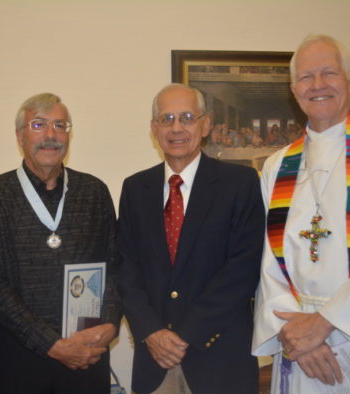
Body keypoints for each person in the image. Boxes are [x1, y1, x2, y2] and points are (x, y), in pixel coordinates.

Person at [252, 34, 350, 393]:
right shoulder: (277, 166)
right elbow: (268, 264)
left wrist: (327, 323)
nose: (318, 85)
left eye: (330, 73)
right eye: (306, 77)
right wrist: (292, 333)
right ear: (294, 90)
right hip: (298, 349)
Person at [118, 83, 265, 394]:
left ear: (206, 124)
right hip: (154, 361)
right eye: (166, 119)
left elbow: (244, 268)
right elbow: (126, 268)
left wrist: (186, 335)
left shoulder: (240, 184)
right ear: (153, 129)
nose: (176, 128)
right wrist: (151, 332)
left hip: (221, 358)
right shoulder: (134, 189)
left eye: (186, 117)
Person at [0, 93, 121, 393]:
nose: (51, 135)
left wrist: (110, 323)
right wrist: (52, 345)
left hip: (87, 356)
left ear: (69, 134)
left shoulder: (94, 192)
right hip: (19, 360)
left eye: (60, 125)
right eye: (38, 125)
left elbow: (116, 266)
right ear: (20, 135)